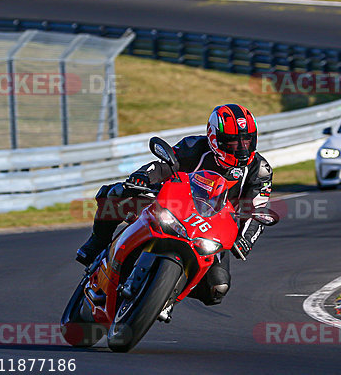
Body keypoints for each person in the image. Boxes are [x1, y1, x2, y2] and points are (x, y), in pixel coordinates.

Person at [76, 104, 273, 306]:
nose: (241, 148)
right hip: (173, 205)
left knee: (217, 289)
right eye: (232, 142)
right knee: (116, 194)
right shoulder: (194, 147)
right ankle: (97, 241)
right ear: (214, 138)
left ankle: (166, 291)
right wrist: (143, 177)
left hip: (212, 229)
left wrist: (245, 240)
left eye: (247, 140)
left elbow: (257, 210)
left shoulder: (261, 170)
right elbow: (165, 166)